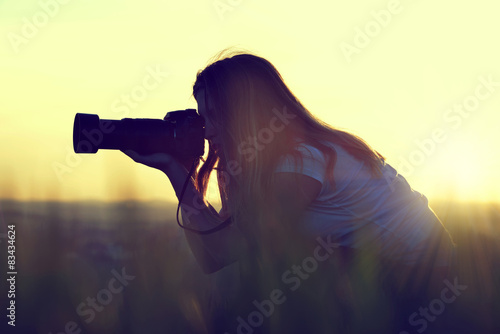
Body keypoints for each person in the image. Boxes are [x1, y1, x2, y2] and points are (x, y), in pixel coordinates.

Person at [122, 50, 457, 333]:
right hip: (374, 271)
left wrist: (177, 172)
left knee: (273, 272)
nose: (207, 131)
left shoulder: (301, 161)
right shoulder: (252, 166)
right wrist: (176, 170)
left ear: (247, 114)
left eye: (215, 116)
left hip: (427, 283)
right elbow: (212, 257)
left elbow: (224, 252)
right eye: (202, 117)